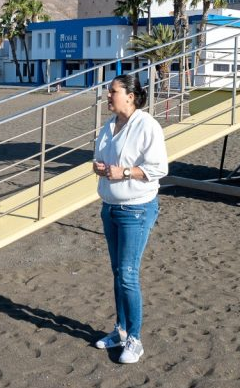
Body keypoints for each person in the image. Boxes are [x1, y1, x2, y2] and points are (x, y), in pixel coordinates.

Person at [91, 74, 168, 364]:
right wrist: (100, 168)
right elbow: (100, 158)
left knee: (127, 273)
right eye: (108, 91)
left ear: (130, 96)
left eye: (112, 91)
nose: (108, 96)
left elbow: (159, 167)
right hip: (110, 208)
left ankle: (135, 339)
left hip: (136, 208)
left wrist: (123, 172)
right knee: (117, 273)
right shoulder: (109, 126)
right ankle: (120, 330)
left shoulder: (147, 125)